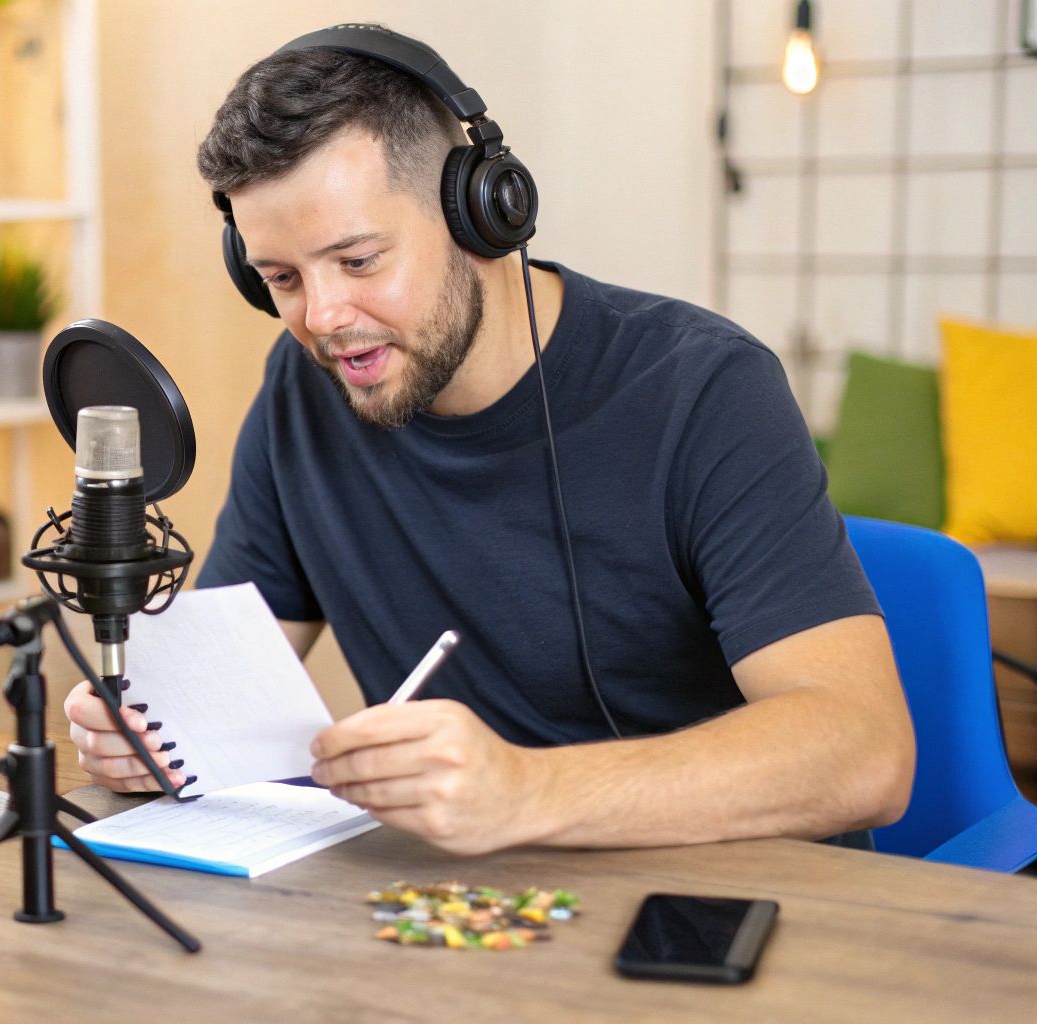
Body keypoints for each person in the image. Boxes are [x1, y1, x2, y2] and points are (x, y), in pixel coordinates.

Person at [63, 27, 916, 856]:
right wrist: (156, 735)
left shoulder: (704, 388)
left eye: (357, 261)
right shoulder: (305, 388)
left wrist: (525, 792)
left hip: (725, 905)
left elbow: (864, 754)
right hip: (465, 908)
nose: (321, 321)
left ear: (481, 214)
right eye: (281, 279)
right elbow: (227, 697)